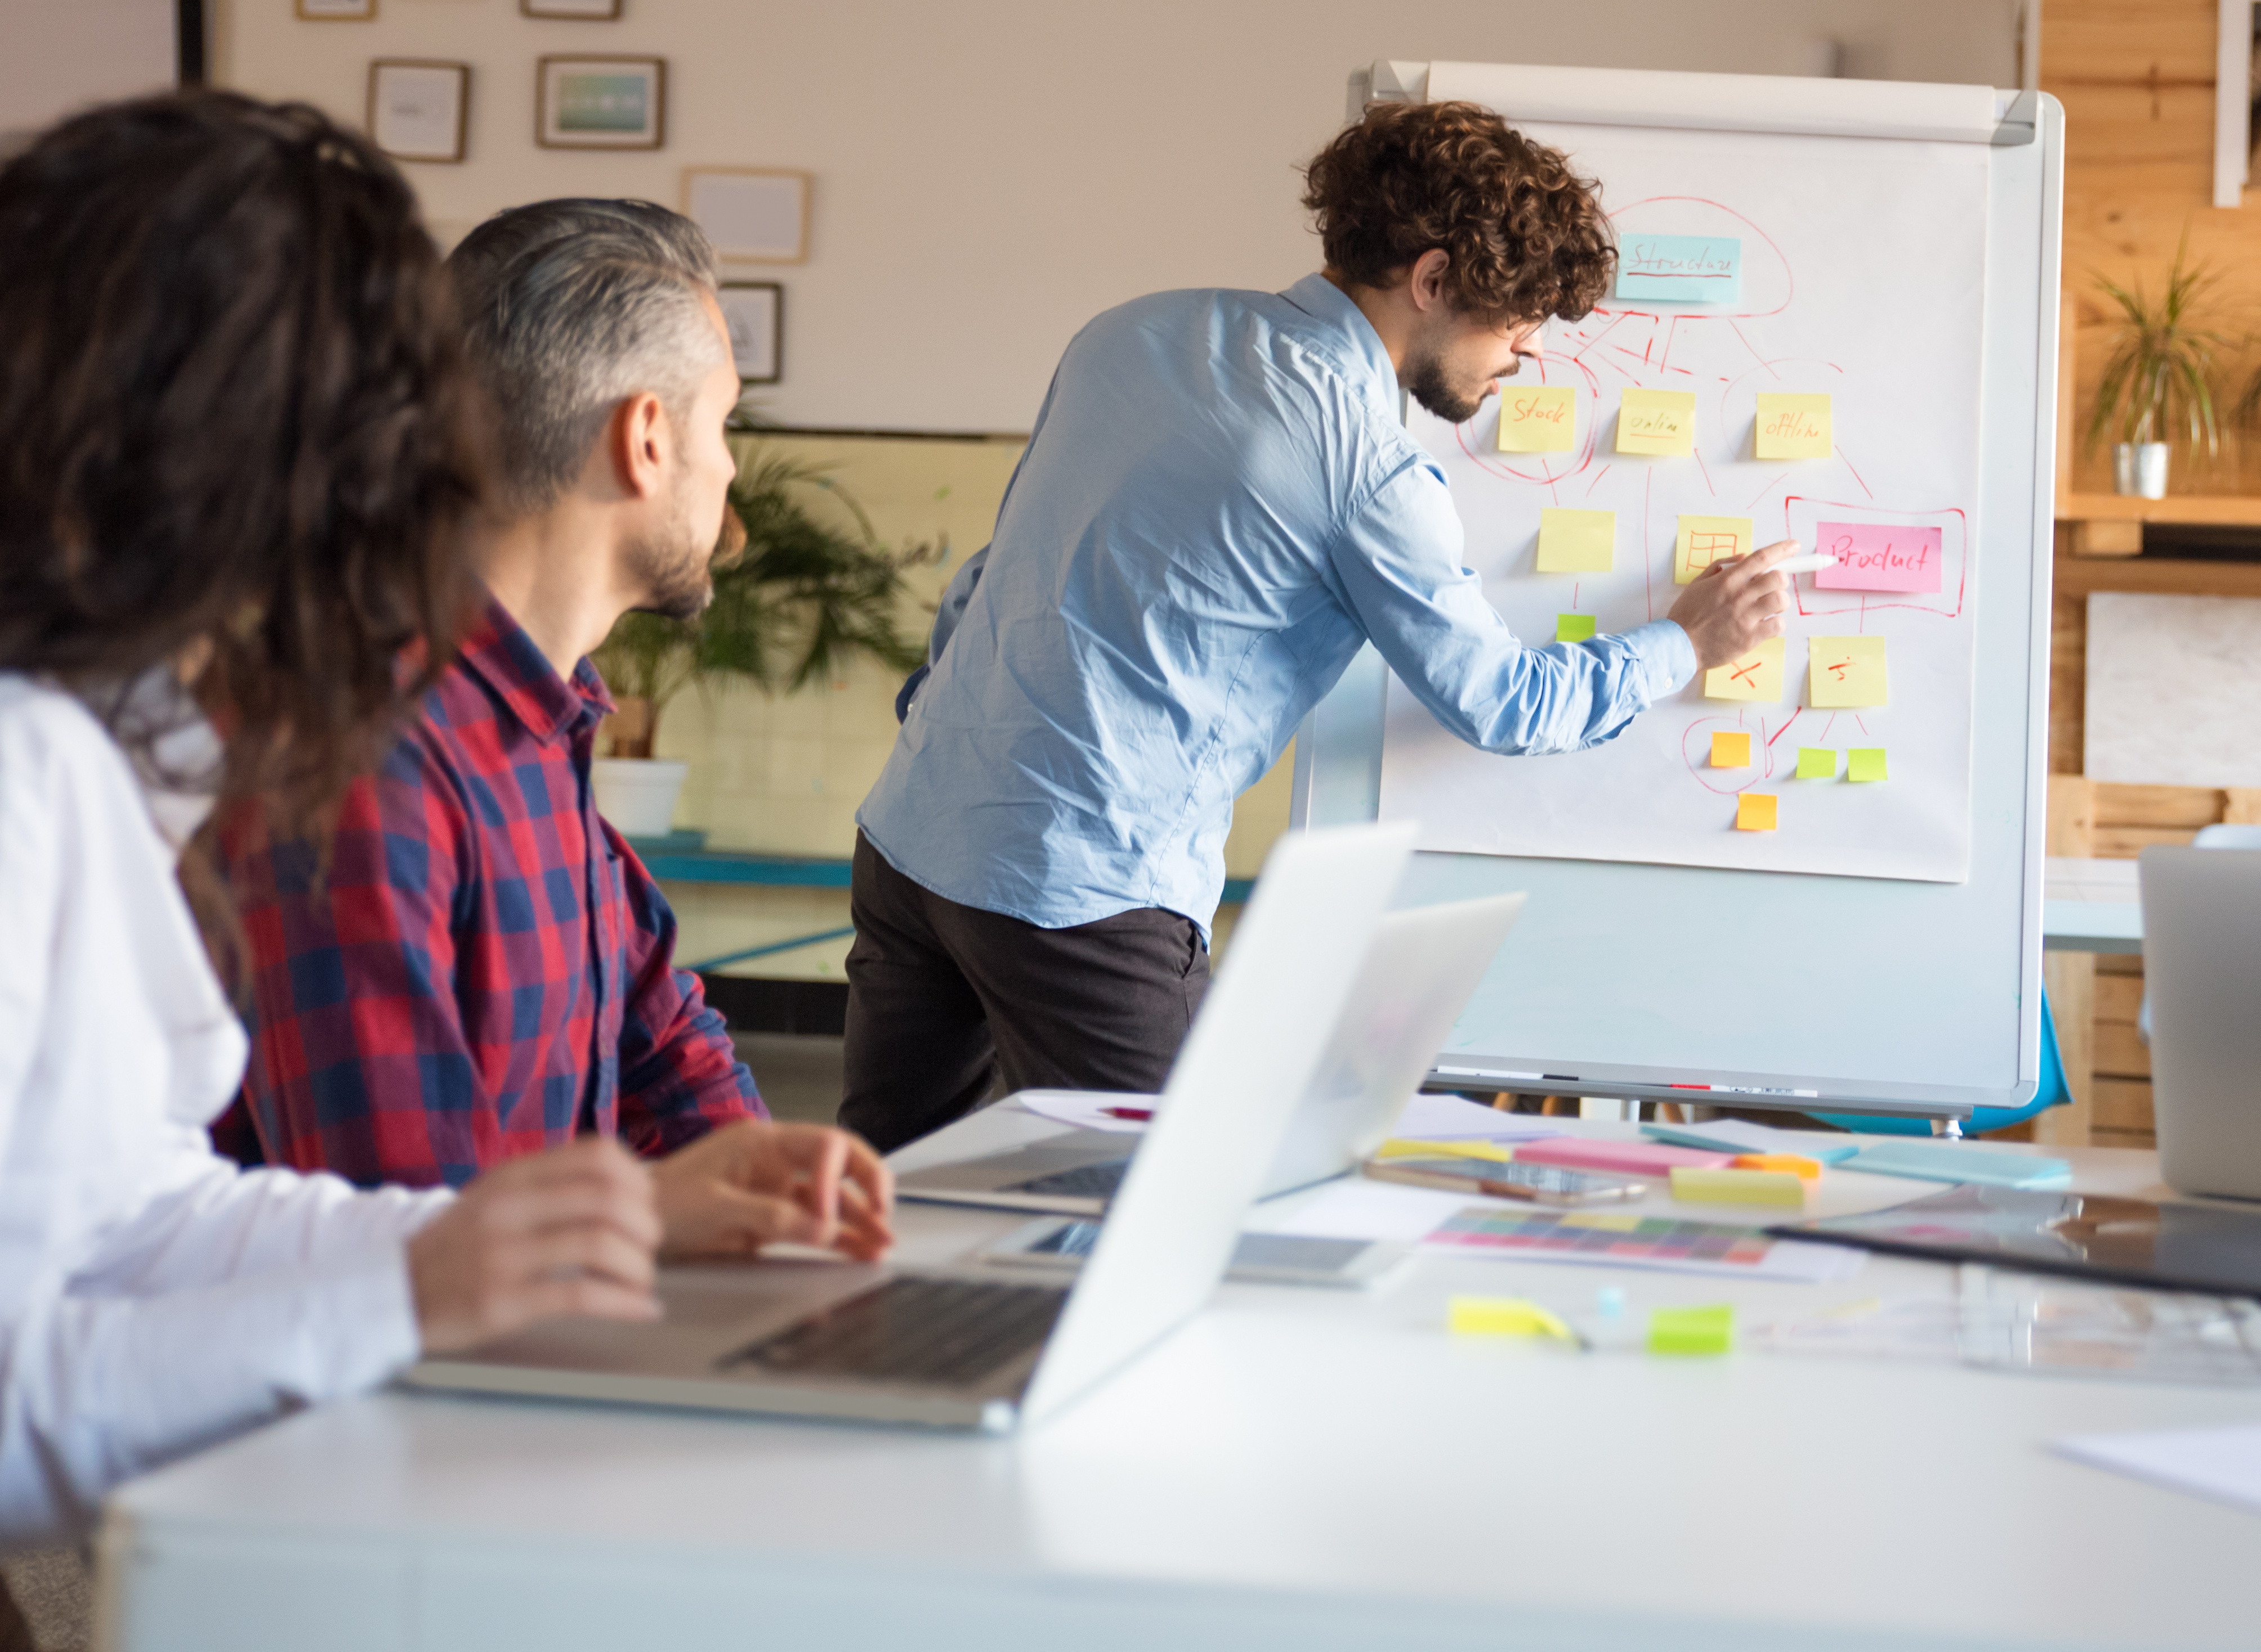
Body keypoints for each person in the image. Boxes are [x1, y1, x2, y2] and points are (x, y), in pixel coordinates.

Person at [0, 93, 885, 1550]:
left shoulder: (100, 743)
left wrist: (582, 1229)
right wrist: (416, 1283)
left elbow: (138, 1208)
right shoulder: (58, 758)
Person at [842, 100, 1795, 1150]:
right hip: (1081, 887)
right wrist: (1689, 642)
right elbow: (1502, 702)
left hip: (913, 828)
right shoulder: (1365, 460)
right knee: (1162, 1212)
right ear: (1431, 281)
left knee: (864, 1188)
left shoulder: (1134, 328)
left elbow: (991, 574)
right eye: (1514, 318)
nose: (1526, 351)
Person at [213, 198, 889, 1220]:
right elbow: (400, 1234)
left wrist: (782, 1192)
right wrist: (658, 1218)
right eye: (726, 420)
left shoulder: (539, 718)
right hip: (431, 1359)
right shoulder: (364, 763)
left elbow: (659, 1040)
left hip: (542, 1322)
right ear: (648, 440)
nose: (733, 466)